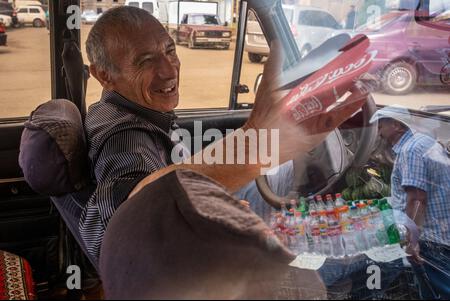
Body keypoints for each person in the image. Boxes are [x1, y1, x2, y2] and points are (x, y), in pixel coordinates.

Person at [81, 6, 365, 264]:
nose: (169, 71)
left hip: (197, 212)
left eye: (169, 50)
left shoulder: (115, 108)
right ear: (104, 75)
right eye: (144, 61)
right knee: (340, 260)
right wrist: (254, 143)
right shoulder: (124, 135)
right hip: (190, 253)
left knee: (283, 172)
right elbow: (121, 215)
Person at [370, 107, 450, 299]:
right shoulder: (423, 141)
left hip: (432, 238)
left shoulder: (410, 151)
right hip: (443, 232)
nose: (378, 132)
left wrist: (412, 239)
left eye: (381, 126)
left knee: (438, 291)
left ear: (396, 125)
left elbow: (416, 199)